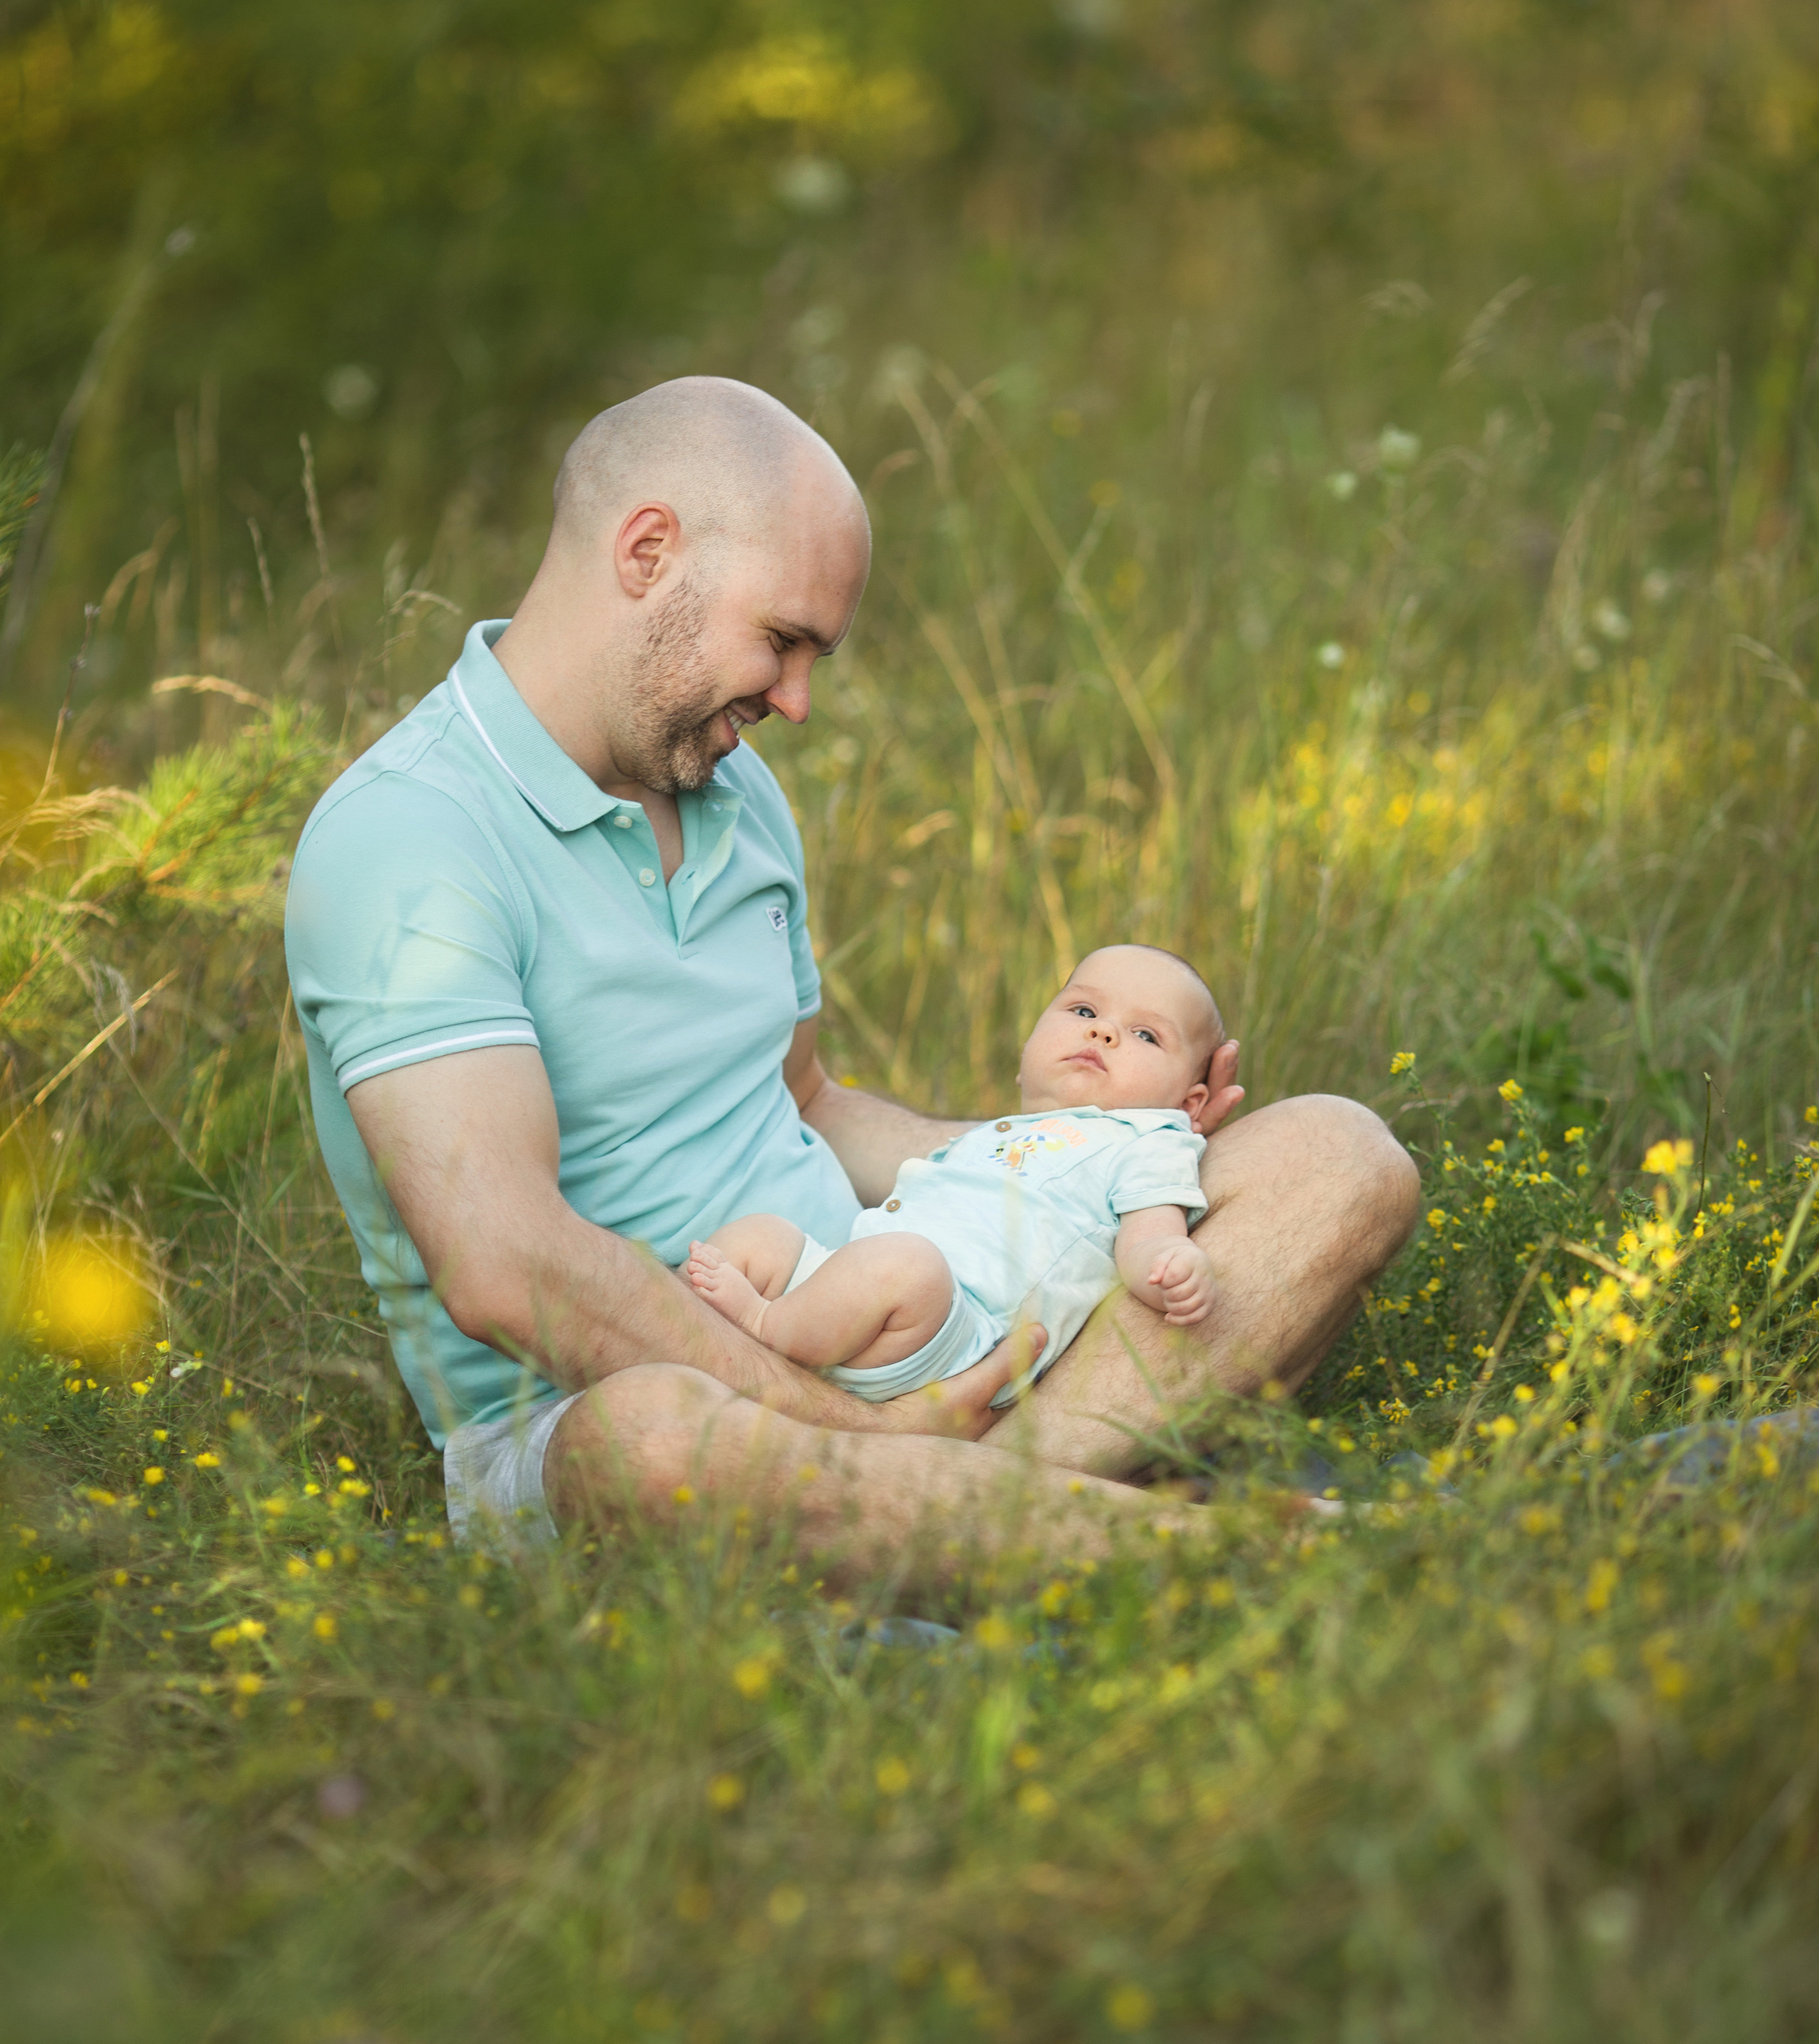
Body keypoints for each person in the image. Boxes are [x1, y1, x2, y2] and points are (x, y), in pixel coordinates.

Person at [284, 376, 1418, 1580]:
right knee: (652, 1442)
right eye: (783, 641)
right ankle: (1263, 1563)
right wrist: (853, 1430)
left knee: (1336, 1157)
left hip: (899, 1312)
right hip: (624, 1403)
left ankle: (985, 1518)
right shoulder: (410, 837)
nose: (797, 701)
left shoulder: (732, 788)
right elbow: (506, 1267)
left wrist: (1080, 1153)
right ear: (648, 552)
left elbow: (809, 1102)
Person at [685, 943, 1228, 1401]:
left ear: (1190, 1104)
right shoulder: (1001, 1133)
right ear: (1027, 1053)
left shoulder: (1146, 1139)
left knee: (907, 1263)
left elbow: (1148, 1235)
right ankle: (687, 1348)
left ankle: (764, 1326)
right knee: (761, 1237)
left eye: (1146, 1035)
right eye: (1084, 1011)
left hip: (957, 1337)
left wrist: (1170, 1264)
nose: (1103, 1032)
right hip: (859, 1293)